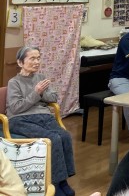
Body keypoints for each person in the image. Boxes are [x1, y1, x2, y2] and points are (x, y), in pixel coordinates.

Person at [7, 46, 76, 196]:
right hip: (20, 120)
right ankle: (55, 184)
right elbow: (16, 107)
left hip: (43, 116)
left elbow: (53, 98)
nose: (37, 62)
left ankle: (63, 181)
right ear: (20, 62)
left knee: (65, 136)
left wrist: (42, 91)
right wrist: (36, 92)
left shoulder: (40, 78)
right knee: (53, 139)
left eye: (38, 58)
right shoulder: (14, 82)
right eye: (32, 58)